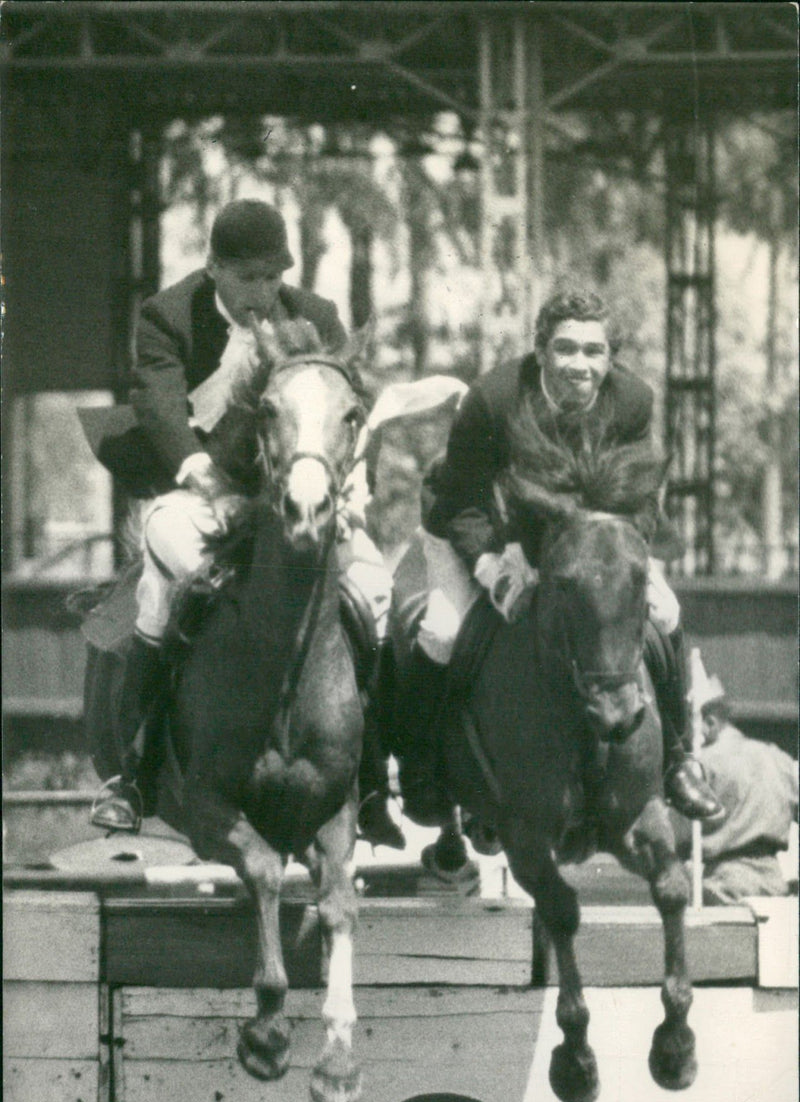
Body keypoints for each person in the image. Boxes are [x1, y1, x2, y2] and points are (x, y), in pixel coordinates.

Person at [89, 199, 401, 847]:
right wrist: (201, 471)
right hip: (202, 486)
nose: (264, 293)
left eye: (273, 276)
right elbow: (160, 407)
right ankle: (131, 771)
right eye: (249, 277)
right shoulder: (167, 316)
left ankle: (372, 779)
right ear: (213, 269)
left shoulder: (314, 316)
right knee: (161, 589)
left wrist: (357, 480)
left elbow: (350, 406)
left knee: (375, 595)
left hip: (300, 489)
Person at [394, 287, 723, 826]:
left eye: (594, 352)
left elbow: (637, 495)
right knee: (444, 631)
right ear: (541, 351)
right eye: (566, 349)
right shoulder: (493, 398)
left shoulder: (633, 401)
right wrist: (494, 568)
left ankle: (679, 760)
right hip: (477, 526)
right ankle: (421, 768)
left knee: (665, 614)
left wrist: (609, 549)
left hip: (577, 538)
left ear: (610, 357)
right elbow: (463, 502)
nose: (580, 366)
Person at [674, 673, 797, 903]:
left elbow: (677, 838)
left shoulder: (702, 765)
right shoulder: (779, 759)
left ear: (709, 723)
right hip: (774, 885)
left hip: (723, 887)